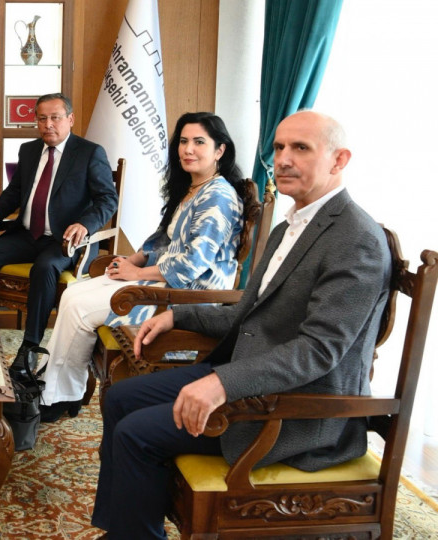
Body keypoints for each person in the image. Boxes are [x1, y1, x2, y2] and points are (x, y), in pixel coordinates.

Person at [91, 111, 391, 538]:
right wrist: (178, 314)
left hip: (297, 409)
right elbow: (250, 313)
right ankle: (125, 529)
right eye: (279, 147)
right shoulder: (289, 226)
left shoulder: (356, 239)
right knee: (121, 398)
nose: (283, 159)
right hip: (250, 375)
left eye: (301, 148)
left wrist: (222, 384)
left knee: (136, 433)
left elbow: (318, 351)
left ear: (339, 160)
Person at [38, 112, 246, 422]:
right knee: (73, 292)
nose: (188, 149)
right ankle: (57, 387)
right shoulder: (195, 188)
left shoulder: (218, 197)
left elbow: (191, 264)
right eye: (183, 141)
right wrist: (137, 259)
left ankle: (58, 396)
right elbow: (168, 243)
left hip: (189, 297)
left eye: (199, 142)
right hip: (166, 283)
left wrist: (136, 274)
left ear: (220, 150)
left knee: (80, 308)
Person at [0, 93, 119, 365]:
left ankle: (29, 349)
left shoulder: (89, 153)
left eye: (55, 118)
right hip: (27, 234)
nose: (48, 124)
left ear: (70, 119)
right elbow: (15, 191)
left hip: (66, 240)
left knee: (45, 267)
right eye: (42, 118)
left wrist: (84, 224)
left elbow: (107, 200)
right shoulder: (29, 150)